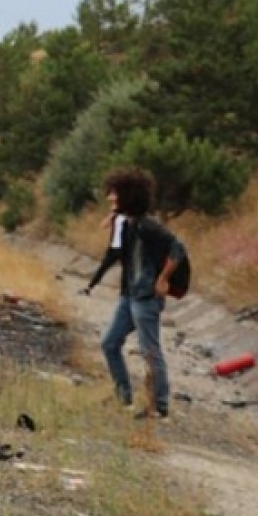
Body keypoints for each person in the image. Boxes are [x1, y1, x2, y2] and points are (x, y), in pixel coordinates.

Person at [96, 167, 185, 419]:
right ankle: (123, 396)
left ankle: (159, 405)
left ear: (128, 195)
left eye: (114, 193)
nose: (110, 197)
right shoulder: (131, 223)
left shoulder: (148, 225)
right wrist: (113, 216)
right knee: (110, 343)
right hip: (129, 296)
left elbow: (178, 248)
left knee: (150, 350)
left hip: (146, 298)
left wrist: (163, 279)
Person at [80, 210, 126, 295]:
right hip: (113, 247)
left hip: (124, 248)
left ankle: (125, 294)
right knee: (103, 267)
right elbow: (103, 225)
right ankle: (89, 288)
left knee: (126, 271)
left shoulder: (129, 216)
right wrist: (112, 214)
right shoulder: (116, 215)